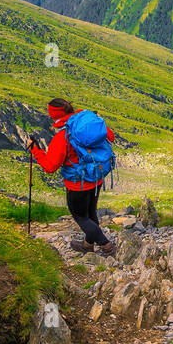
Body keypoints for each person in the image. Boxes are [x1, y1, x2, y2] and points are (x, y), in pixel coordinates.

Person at [29, 97, 117, 257]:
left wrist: (35, 150)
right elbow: (110, 136)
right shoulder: (88, 123)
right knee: (91, 215)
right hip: (96, 178)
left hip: (77, 185)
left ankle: (107, 246)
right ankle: (87, 245)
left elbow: (50, 167)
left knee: (81, 217)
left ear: (54, 116)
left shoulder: (62, 137)